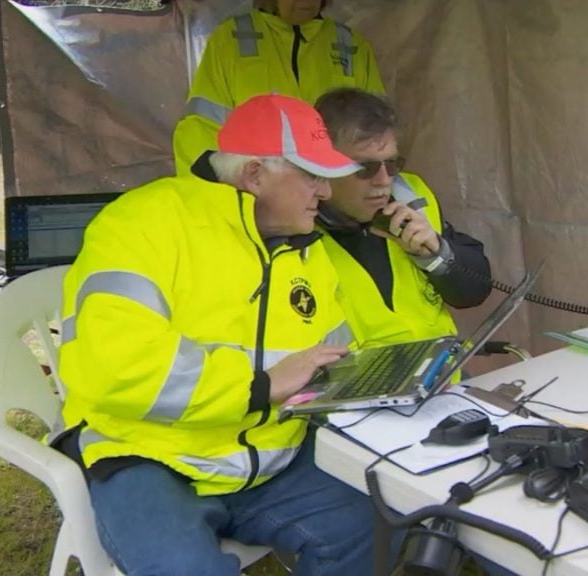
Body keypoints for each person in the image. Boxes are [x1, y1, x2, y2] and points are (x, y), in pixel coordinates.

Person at [55, 94, 377, 576]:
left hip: (272, 454)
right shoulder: (141, 224)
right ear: (254, 176)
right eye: (312, 175)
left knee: (374, 522)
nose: (326, 193)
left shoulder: (308, 249)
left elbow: (329, 355)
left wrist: (375, 384)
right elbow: (117, 368)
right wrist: (262, 386)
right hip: (147, 456)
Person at [313, 87, 493, 349]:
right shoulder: (296, 230)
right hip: (361, 387)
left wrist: (436, 254)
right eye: (365, 168)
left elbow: (475, 292)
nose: (384, 181)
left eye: (391, 165)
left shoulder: (410, 197)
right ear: (322, 166)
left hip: (443, 376)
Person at [173, 0, 385, 176]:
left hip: (337, 191)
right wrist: (225, 193)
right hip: (258, 192)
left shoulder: (351, 46)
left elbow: (379, 132)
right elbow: (202, 128)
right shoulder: (230, 40)